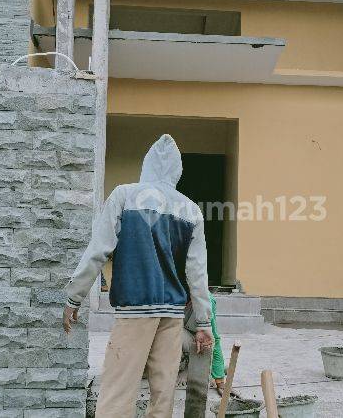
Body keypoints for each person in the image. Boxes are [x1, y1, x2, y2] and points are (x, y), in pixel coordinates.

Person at [62, 134, 213, 418]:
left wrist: (74, 297)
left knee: (118, 393)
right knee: (163, 395)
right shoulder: (191, 210)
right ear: (177, 171)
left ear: (147, 164)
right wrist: (204, 322)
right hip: (172, 314)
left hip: (135, 311)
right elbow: (197, 273)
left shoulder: (124, 195)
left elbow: (98, 251)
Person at [178, 292, 241, 398]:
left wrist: (220, 382)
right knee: (170, 332)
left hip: (197, 343)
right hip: (182, 337)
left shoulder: (207, 301)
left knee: (206, 341)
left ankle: (194, 369)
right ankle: (207, 368)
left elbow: (214, 340)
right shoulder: (172, 293)